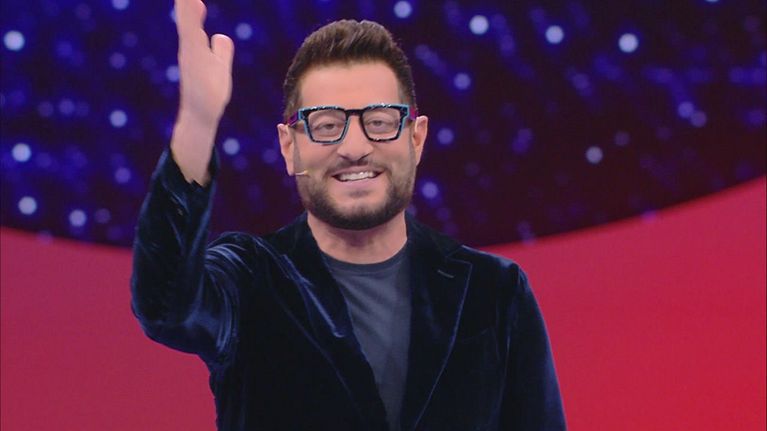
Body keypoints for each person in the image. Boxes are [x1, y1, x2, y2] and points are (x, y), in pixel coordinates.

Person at [131, 0, 566, 429]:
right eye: (326, 125)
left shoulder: (495, 292)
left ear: (416, 138)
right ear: (289, 147)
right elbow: (165, 306)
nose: (354, 147)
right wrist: (198, 122)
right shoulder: (249, 280)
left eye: (379, 121)